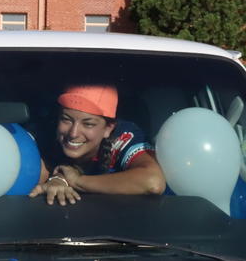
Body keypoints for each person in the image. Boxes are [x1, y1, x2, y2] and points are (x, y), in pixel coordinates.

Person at [29, 84, 166, 205]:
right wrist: (56, 181)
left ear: (108, 128)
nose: (73, 133)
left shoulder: (123, 136)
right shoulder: (46, 135)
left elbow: (153, 182)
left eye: (88, 124)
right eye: (66, 119)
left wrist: (77, 181)